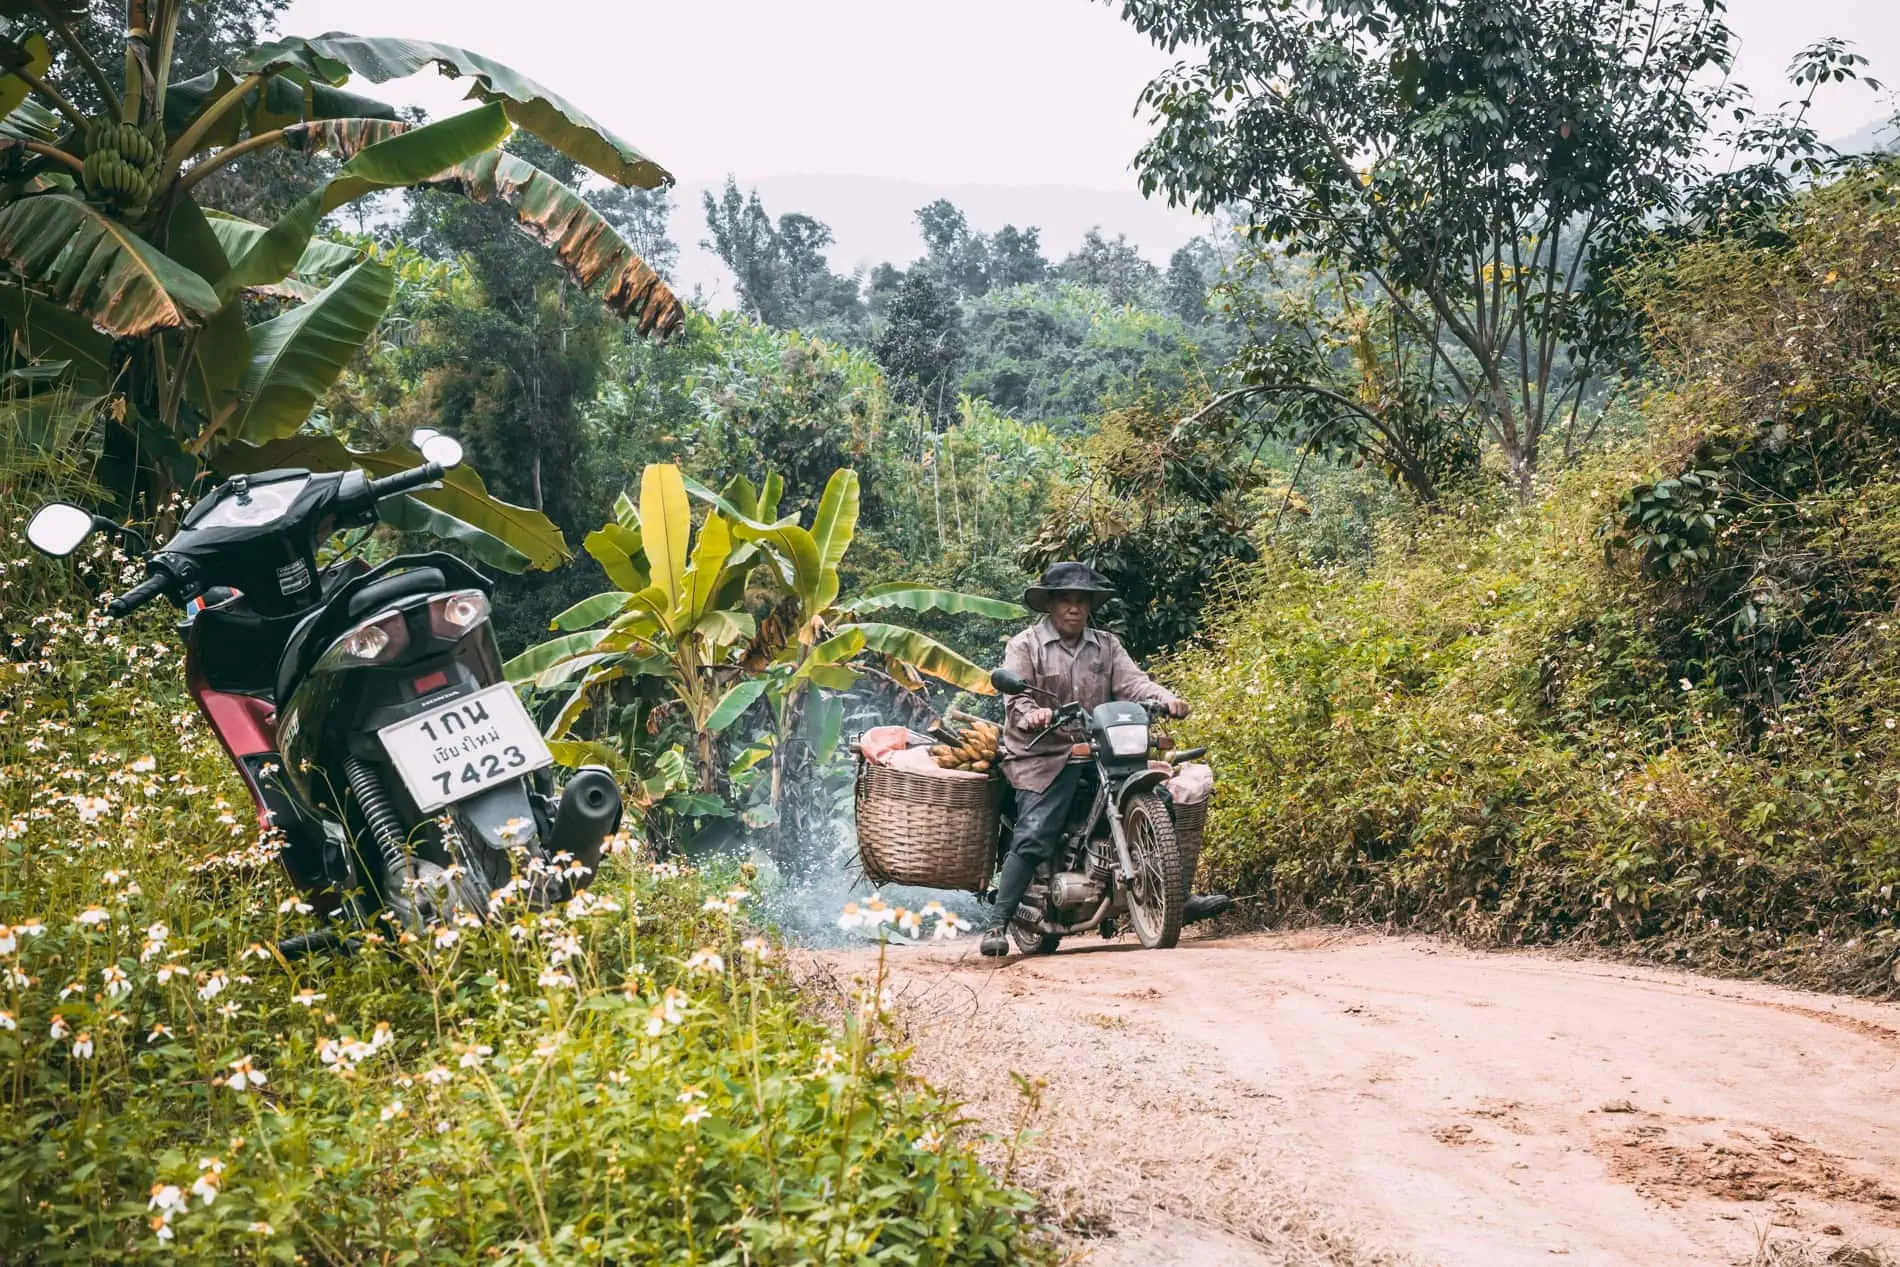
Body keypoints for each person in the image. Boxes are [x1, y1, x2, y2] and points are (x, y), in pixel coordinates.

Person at [981, 561, 1232, 958]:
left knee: (1165, 806)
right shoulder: (1024, 645)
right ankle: (997, 922)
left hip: (1103, 749)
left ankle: (1175, 898)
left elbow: (1135, 683)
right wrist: (1032, 714)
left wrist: (1165, 698)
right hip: (1042, 754)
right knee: (1035, 832)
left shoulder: (1106, 644)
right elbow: (1017, 698)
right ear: (1050, 603)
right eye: (1066, 600)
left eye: (1082, 601)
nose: (1075, 608)